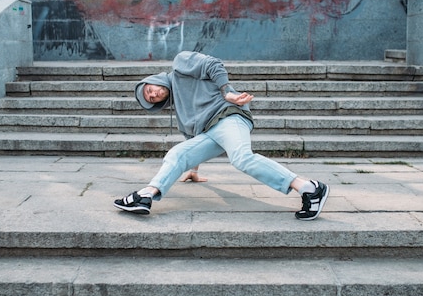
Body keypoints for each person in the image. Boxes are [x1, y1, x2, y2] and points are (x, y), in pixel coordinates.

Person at [113, 51, 329, 220]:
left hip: (228, 116)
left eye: (150, 89)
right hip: (211, 132)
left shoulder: (180, 65)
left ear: (154, 79)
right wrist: (194, 170)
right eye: (151, 99)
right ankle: (146, 196)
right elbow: (192, 141)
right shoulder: (180, 109)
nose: (153, 95)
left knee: (241, 158)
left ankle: (310, 188)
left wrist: (228, 92)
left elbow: (212, 64)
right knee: (177, 154)